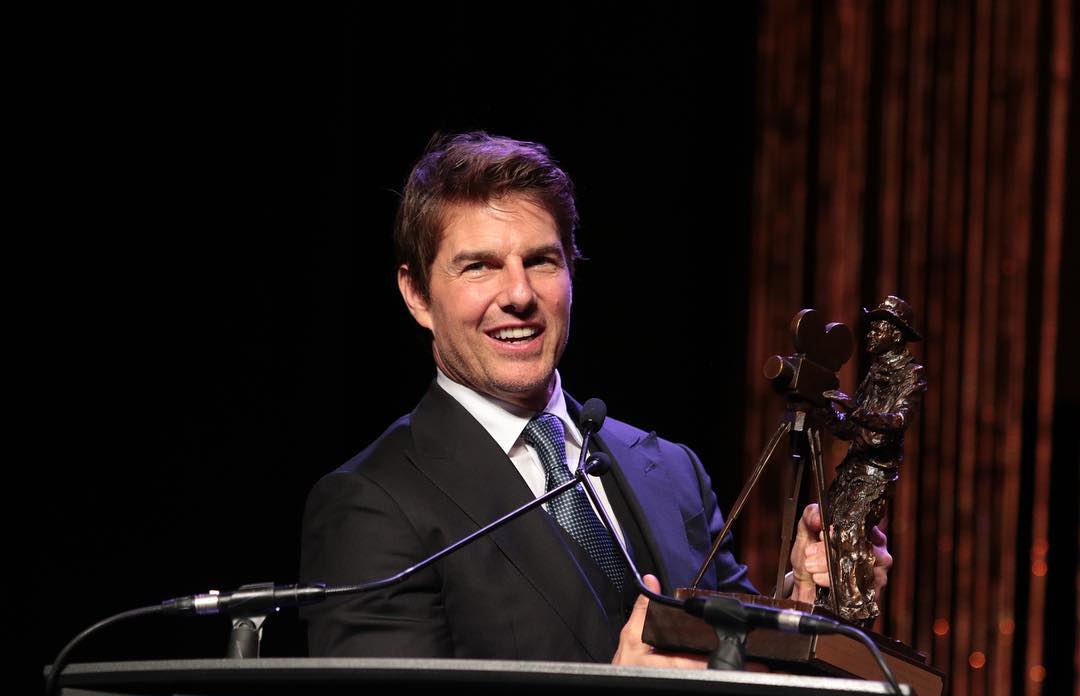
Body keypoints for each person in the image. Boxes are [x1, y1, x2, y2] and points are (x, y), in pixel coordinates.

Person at [299, 131, 891, 667]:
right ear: (417, 295)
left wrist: (801, 600)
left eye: (541, 261)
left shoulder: (673, 471)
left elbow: (740, 668)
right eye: (479, 267)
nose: (519, 294)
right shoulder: (370, 505)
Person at [817, 296, 925, 625]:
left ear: (896, 333)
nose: (872, 333)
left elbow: (897, 421)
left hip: (876, 472)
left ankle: (853, 615)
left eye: (879, 327)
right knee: (832, 532)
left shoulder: (911, 374)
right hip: (854, 466)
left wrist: (855, 409)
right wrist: (827, 412)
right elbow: (851, 429)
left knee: (850, 532)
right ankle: (829, 604)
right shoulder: (875, 370)